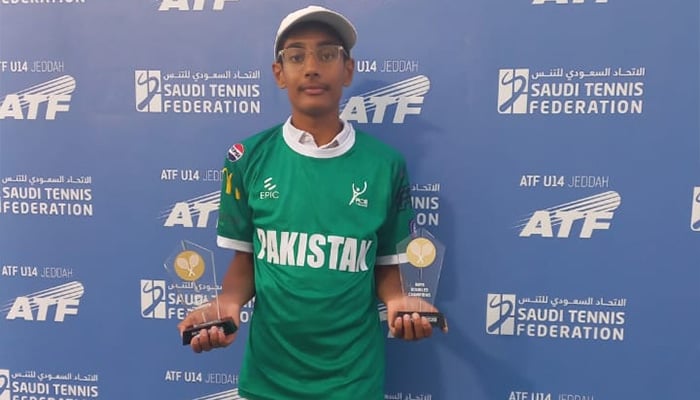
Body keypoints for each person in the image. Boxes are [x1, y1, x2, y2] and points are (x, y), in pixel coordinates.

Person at [178, 5, 446, 399]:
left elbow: (385, 264)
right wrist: (227, 304)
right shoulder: (246, 157)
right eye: (296, 55)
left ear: (347, 69)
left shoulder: (386, 165)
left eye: (327, 54)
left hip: (353, 382)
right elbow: (246, 260)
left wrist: (398, 302)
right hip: (268, 380)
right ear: (279, 73)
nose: (311, 67)